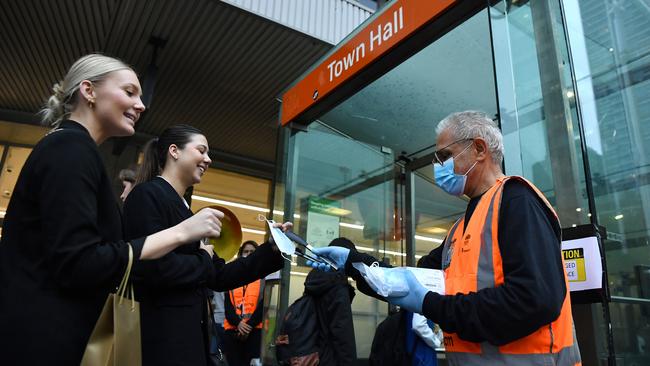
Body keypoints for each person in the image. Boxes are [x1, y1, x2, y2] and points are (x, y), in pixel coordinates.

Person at [0, 54, 224, 365]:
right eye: (130, 92)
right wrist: (181, 233)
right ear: (89, 91)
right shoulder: (71, 149)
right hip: (46, 338)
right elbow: (79, 261)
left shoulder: (74, 149)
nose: (141, 105)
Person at [310, 111, 582, 365]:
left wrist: (431, 304)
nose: (438, 166)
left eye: (445, 155)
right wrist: (353, 263)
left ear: (479, 149)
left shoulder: (517, 200)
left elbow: (533, 300)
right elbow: (408, 281)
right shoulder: (460, 229)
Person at [123, 125, 290, 366]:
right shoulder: (147, 196)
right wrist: (202, 257)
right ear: (174, 151)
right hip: (161, 338)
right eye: (201, 150)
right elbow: (150, 268)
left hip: (187, 337)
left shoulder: (185, 210)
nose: (208, 159)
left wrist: (271, 250)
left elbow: (220, 276)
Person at [303, 237, 357, 366]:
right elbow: (342, 331)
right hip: (330, 358)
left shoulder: (314, 280)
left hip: (310, 355)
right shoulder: (338, 284)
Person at [223, 241, 265, 366]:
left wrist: (248, 326)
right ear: (240, 255)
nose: (248, 254)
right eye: (246, 252)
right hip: (233, 331)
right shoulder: (232, 276)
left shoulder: (263, 277)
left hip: (254, 331)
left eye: (252, 252)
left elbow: (263, 306)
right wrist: (239, 323)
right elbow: (228, 307)